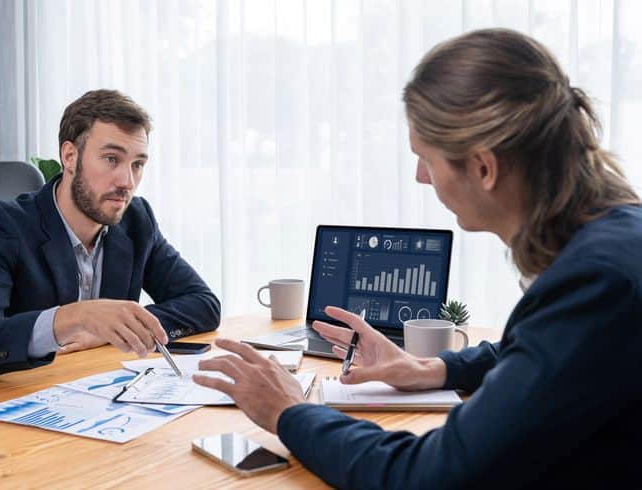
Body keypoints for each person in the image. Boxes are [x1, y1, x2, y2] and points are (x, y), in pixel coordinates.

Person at [192, 28, 642, 488]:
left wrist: (290, 412)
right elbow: (544, 353)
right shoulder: (618, 239)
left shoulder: (597, 280)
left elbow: (429, 476)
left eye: (426, 158)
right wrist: (432, 368)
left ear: (484, 167)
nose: (420, 177)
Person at [0, 89, 220, 380]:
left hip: (95, 393)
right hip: (9, 399)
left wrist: (113, 330)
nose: (127, 181)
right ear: (70, 156)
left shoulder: (137, 221)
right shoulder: (2, 225)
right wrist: (75, 317)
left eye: (137, 164)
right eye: (111, 159)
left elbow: (204, 304)